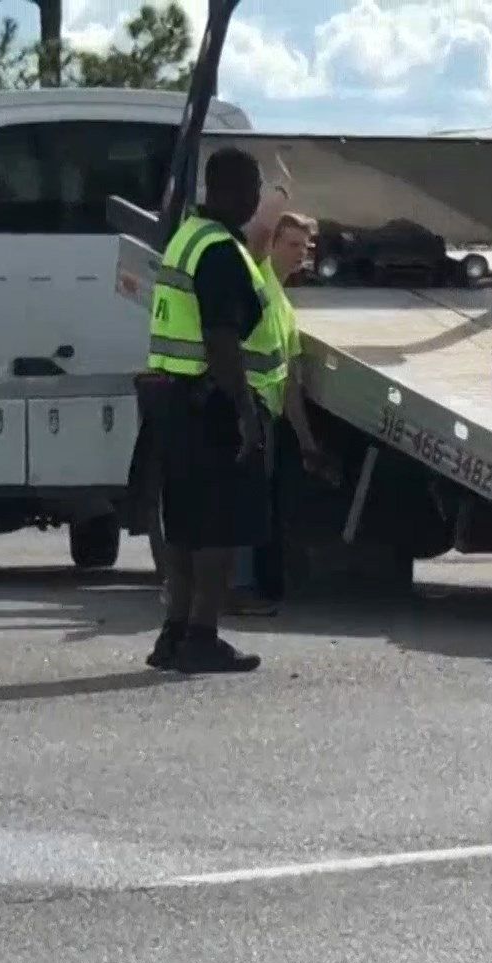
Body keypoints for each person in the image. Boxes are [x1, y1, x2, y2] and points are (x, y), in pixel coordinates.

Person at [137, 147, 281, 673]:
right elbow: (220, 339)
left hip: (173, 399)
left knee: (184, 525)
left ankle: (173, 634)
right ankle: (201, 635)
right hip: (211, 402)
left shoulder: (186, 238)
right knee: (217, 528)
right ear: (232, 190)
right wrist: (245, 411)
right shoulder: (219, 250)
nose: (257, 198)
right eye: (254, 188)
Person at [228, 209, 328, 616]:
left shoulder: (285, 308)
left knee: (252, 502)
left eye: (304, 248)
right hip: (244, 408)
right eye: (290, 244)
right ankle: (237, 588)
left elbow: (290, 383)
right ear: (272, 245)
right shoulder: (258, 281)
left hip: (266, 415)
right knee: (241, 501)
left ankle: (242, 584)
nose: (298, 254)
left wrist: (306, 442)